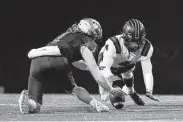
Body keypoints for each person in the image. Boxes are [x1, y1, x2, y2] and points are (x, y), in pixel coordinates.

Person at [18, 18, 124, 114]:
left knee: (36, 107)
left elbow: (76, 62)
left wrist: (90, 67)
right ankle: (96, 104)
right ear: (92, 32)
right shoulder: (86, 43)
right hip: (58, 60)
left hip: (37, 61)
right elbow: (98, 77)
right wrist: (111, 89)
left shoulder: (67, 35)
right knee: (74, 88)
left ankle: (28, 102)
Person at [97, 19, 159, 105]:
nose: (135, 45)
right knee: (104, 97)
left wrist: (149, 90)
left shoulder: (147, 47)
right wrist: (112, 79)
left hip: (127, 65)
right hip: (109, 67)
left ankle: (130, 91)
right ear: (124, 36)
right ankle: (126, 91)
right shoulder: (114, 43)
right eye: (132, 41)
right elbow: (104, 67)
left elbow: (147, 71)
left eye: (138, 41)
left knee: (128, 75)